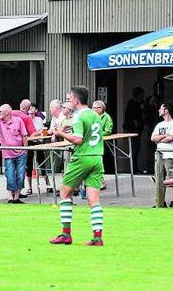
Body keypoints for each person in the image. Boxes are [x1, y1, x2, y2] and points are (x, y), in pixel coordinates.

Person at [50, 86, 106, 246]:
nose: (68, 101)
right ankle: (97, 237)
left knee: (64, 193)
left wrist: (61, 133)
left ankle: (66, 234)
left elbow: (78, 139)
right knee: (94, 200)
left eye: (69, 99)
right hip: (97, 157)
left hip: (83, 157)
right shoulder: (95, 115)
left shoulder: (78, 116)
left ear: (76, 100)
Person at [0, 104, 30, 204]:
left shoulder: (18, 120)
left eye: (0, 112)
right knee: (9, 174)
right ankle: (10, 197)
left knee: (21, 174)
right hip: (8, 153)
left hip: (20, 153)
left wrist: (25, 150)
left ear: (7, 112)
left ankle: (17, 197)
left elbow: (24, 136)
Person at [151, 103, 173, 178]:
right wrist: (164, 135)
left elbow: (170, 139)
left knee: (172, 180)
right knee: (159, 180)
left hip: (170, 155)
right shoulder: (159, 125)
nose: (159, 110)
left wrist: (158, 140)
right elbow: (152, 138)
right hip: (159, 156)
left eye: (161, 109)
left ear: (166, 110)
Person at [124, 87, 145, 173]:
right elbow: (129, 116)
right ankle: (134, 168)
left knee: (136, 147)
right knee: (134, 148)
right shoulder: (132, 103)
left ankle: (135, 167)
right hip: (133, 129)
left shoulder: (140, 103)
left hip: (138, 129)